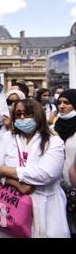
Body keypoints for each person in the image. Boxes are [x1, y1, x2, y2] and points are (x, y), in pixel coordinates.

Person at [0, 99, 70, 238]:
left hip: (45, 204)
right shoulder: (9, 137)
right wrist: (17, 184)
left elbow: (46, 174)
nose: (22, 117)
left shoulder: (54, 141)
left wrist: (5, 170)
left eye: (27, 114)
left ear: (38, 115)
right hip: (9, 203)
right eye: (18, 114)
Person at [54, 89, 76, 236]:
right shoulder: (53, 129)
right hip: (58, 189)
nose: (61, 106)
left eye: (66, 103)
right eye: (59, 103)